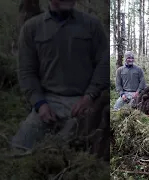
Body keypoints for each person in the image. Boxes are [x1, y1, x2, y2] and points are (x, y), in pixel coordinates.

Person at [11, 0, 108, 150]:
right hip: (49, 101)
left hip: (84, 102)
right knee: (19, 147)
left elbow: (104, 63)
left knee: (72, 148)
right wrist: (40, 104)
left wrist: (90, 96)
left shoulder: (92, 25)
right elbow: (26, 72)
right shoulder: (32, 28)